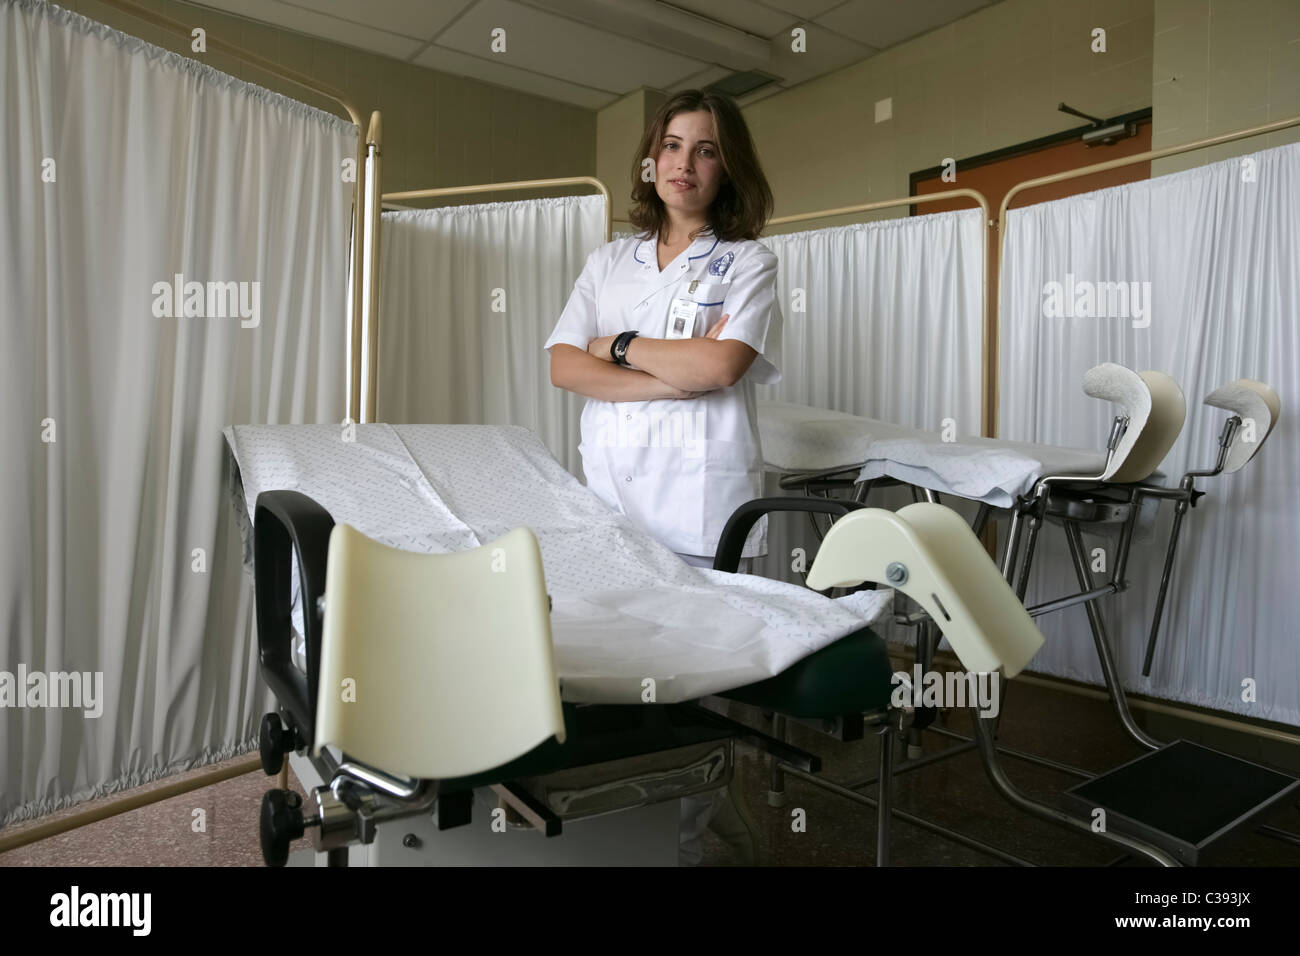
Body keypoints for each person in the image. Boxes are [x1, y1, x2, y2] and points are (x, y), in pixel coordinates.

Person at [544, 89, 782, 864]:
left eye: (706, 149)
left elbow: (721, 362)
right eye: (673, 146)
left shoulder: (748, 261)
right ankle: (625, 827)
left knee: (696, 684)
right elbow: (561, 365)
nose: (685, 163)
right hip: (612, 498)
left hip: (701, 503)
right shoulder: (607, 261)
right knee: (615, 669)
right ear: (652, 162)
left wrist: (617, 348)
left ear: (728, 167)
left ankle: (697, 827)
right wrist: (666, 373)